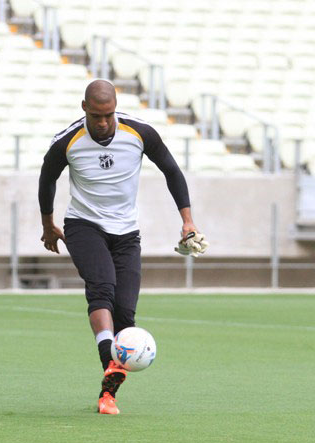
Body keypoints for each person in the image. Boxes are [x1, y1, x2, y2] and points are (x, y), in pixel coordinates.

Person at [38, 80, 208, 415]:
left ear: (115, 108)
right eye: (97, 116)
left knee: (126, 315)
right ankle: (110, 368)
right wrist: (48, 224)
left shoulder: (140, 133)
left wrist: (187, 221)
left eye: (109, 115)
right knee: (101, 288)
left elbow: (172, 171)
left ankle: (107, 393)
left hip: (126, 232)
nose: (103, 123)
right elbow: (47, 178)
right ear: (84, 107)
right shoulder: (67, 141)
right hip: (83, 226)